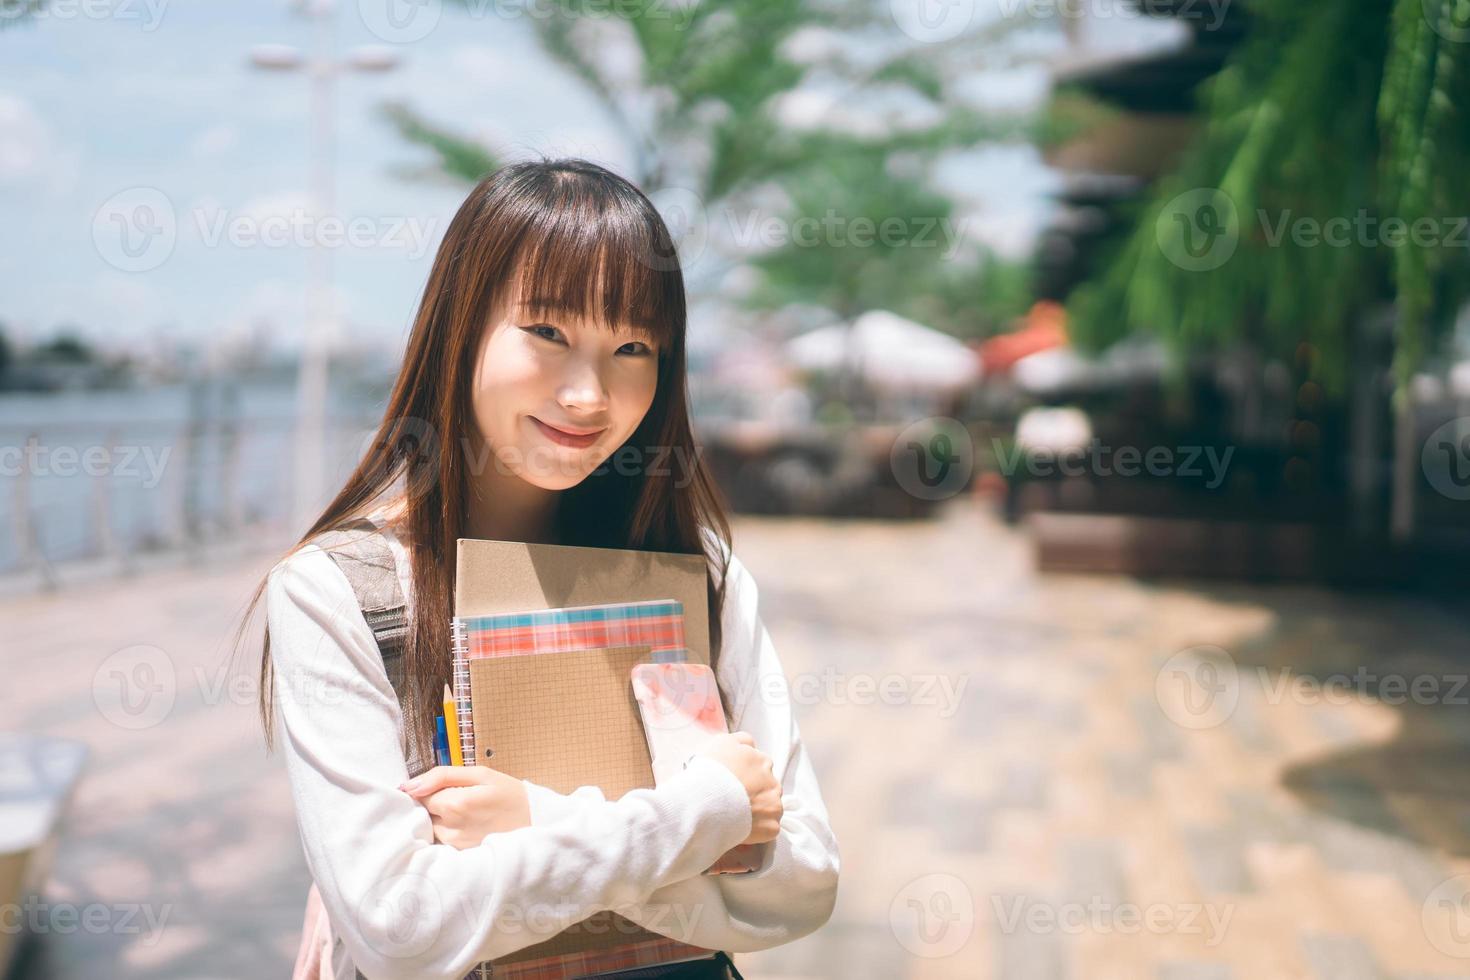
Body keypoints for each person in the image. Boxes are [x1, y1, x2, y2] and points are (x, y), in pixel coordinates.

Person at [241, 158, 840, 980]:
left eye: (633, 346)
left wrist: (536, 818)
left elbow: (802, 885)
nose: (589, 395)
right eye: (549, 333)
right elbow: (401, 929)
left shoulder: (700, 571)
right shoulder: (339, 593)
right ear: (461, 325)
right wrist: (706, 815)